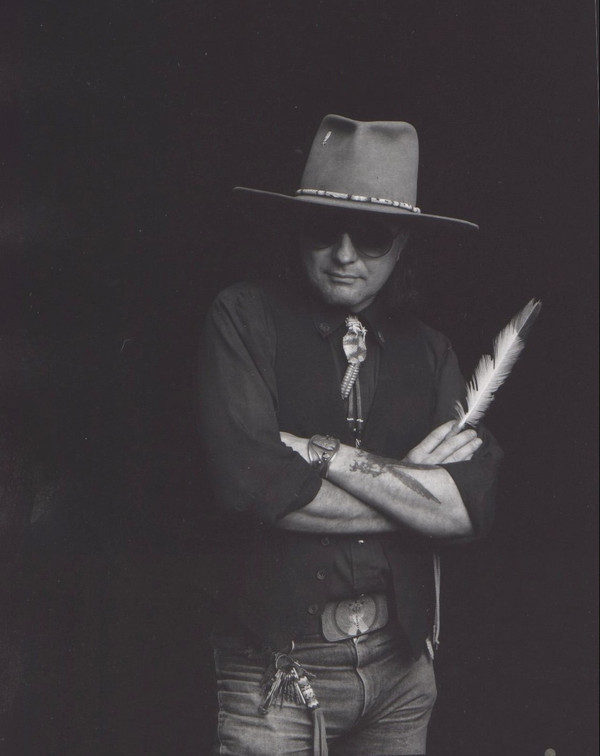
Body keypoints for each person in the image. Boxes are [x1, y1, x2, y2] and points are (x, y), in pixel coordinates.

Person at [197, 114, 503, 756]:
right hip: (277, 674)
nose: (343, 254)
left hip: (402, 673)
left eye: (371, 236)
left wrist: (320, 453)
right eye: (322, 229)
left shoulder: (432, 352)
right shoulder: (244, 317)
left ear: (403, 244)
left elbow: (468, 509)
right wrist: (412, 494)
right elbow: (252, 489)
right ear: (295, 229)